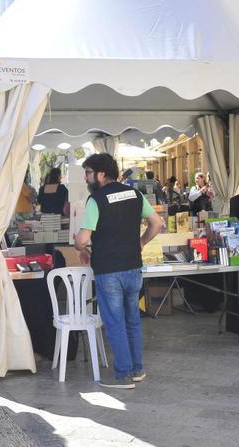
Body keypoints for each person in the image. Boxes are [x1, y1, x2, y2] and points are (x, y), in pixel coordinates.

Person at [74, 153, 164, 389]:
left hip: (108, 270)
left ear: (101, 174)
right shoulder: (135, 194)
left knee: (115, 323)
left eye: (89, 173)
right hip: (133, 267)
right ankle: (137, 370)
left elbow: (83, 239)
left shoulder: (96, 200)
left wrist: (79, 246)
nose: (86, 178)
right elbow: (158, 223)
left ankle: (123, 375)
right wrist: (142, 243)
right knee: (132, 319)